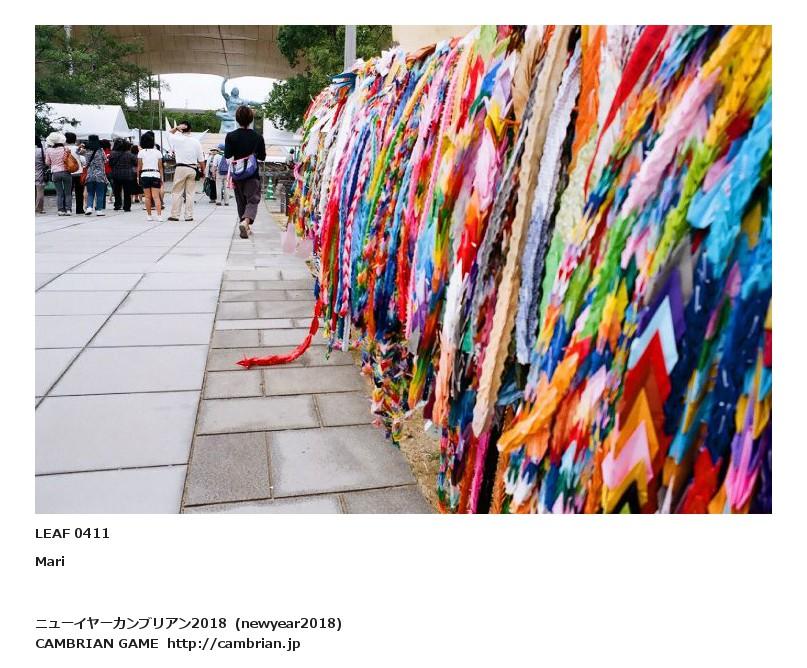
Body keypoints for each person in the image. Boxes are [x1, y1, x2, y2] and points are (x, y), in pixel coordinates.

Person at [225, 105, 266, 238]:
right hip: (252, 174)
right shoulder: (258, 137)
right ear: (251, 119)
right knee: (252, 200)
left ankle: (244, 224)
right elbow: (262, 157)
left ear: (237, 119)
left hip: (237, 174)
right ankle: (246, 222)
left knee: (240, 200)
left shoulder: (230, 136)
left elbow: (227, 154)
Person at [167, 120, 204, 222]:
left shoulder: (176, 139)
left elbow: (169, 134)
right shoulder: (196, 141)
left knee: (177, 192)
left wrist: (176, 128)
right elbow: (201, 159)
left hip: (180, 168)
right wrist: (203, 171)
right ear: (190, 130)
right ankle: (189, 215)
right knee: (190, 193)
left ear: (181, 129)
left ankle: (175, 215)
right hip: (192, 168)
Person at [137, 131, 164, 222]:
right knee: (156, 196)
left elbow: (139, 166)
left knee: (147, 197)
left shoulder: (141, 152)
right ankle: (159, 216)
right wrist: (161, 178)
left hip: (145, 175)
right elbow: (160, 166)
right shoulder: (158, 152)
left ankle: (149, 216)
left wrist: (138, 177)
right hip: (155, 174)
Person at [44, 132, 73, 216]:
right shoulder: (66, 149)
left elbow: (47, 163)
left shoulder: (48, 150)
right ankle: (68, 210)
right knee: (68, 193)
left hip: (55, 173)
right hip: (66, 172)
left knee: (59, 193)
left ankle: (60, 210)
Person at [83, 134, 109, 216]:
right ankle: (99, 210)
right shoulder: (100, 150)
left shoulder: (86, 151)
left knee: (90, 193)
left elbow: (78, 153)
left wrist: (81, 145)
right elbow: (105, 160)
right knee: (100, 193)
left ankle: (89, 207)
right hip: (100, 175)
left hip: (90, 174)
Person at [110, 139, 136, 212]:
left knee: (117, 191)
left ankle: (117, 205)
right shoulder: (129, 154)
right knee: (127, 191)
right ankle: (127, 207)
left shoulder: (113, 153)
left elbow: (110, 164)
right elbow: (135, 162)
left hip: (116, 174)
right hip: (127, 175)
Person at [65, 132, 85, 214]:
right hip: (78, 172)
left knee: (68, 192)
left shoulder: (64, 149)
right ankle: (79, 209)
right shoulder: (78, 148)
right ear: (75, 139)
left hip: (67, 173)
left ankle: (67, 209)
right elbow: (83, 160)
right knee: (79, 192)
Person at [35, 136, 47, 214]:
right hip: (39, 173)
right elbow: (46, 162)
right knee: (40, 191)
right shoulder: (41, 151)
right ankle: (39, 208)